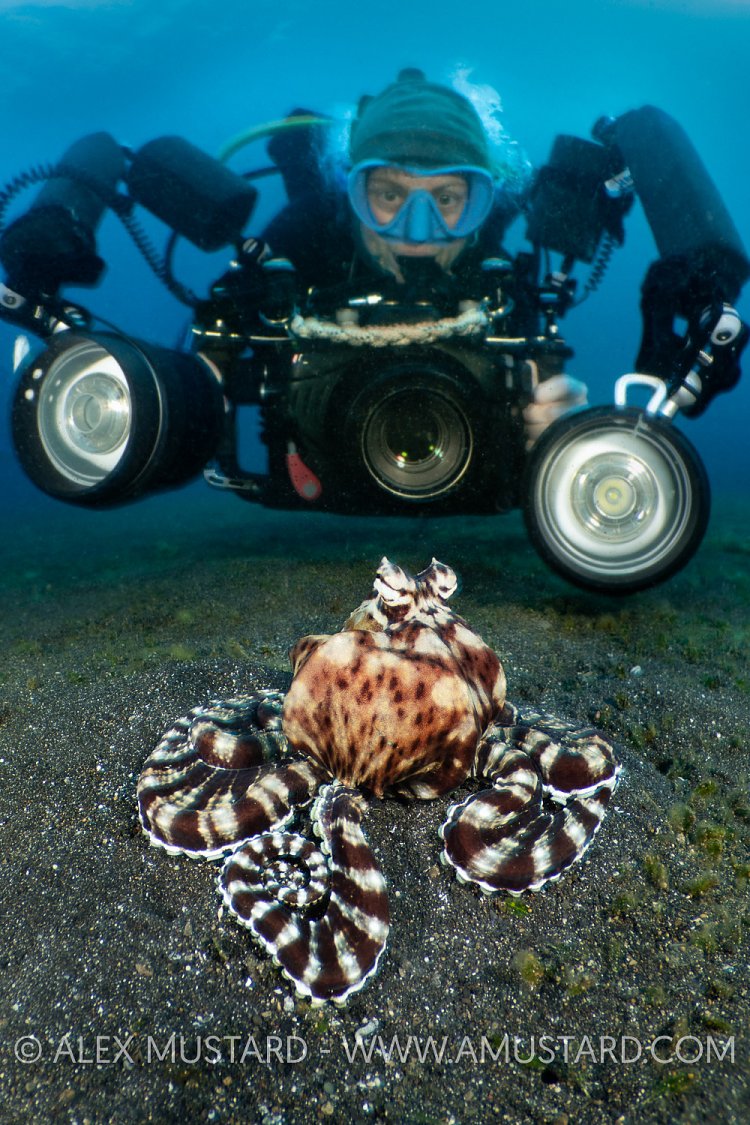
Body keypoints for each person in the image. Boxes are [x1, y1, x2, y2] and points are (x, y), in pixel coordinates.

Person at [208, 68, 590, 446]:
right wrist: (206, 374)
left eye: (445, 199)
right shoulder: (302, 238)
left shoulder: (496, 282)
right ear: (355, 196)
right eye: (390, 195)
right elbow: (217, 329)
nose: (417, 234)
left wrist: (554, 426)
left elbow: (539, 392)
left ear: (475, 205)